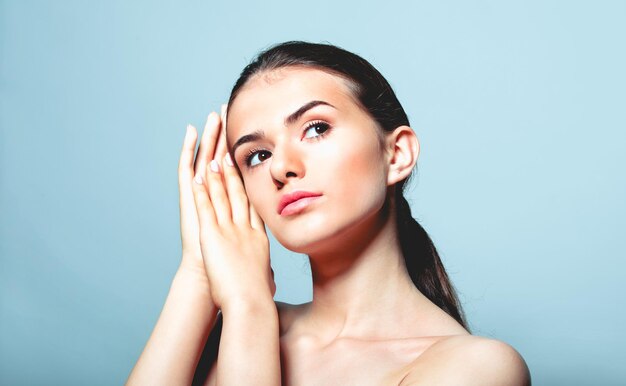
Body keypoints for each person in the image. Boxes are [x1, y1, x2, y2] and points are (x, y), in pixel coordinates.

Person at [126, 41, 531, 385]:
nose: (281, 167)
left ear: (398, 153)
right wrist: (198, 272)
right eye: (257, 155)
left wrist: (249, 306)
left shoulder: (477, 368)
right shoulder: (227, 328)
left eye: (316, 128)